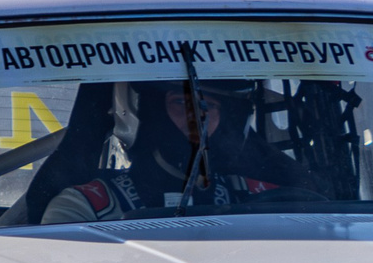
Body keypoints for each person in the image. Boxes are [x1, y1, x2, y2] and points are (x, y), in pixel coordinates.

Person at [39, 79, 313, 224]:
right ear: (151, 112)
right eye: (182, 103)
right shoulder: (84, 208)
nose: (198, 118)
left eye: (210, 107)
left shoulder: (265, 198)